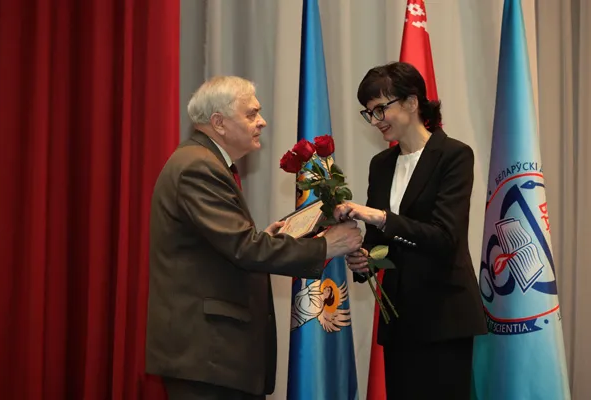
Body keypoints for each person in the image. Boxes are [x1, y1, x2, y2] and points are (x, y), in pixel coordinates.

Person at [145, 76, 362, 400]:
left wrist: (266, 238)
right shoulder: (198, 167)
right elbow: (244, 249)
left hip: (212, 357)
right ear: (218, 122)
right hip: (209, 356)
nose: (262, 122)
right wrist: (325, 246)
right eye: (251, 114)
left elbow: (228, 245)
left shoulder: (203, 161)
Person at [334, 62, 487, 400]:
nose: (375, 120)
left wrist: (381, 217)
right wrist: (364, 260)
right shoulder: (381, 165)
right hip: (399, 319)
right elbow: (380, 243)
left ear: (412, 102)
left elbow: (445, 238)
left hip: (445, 317)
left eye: (380, 108)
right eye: (369, 113)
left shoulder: (454, 155)